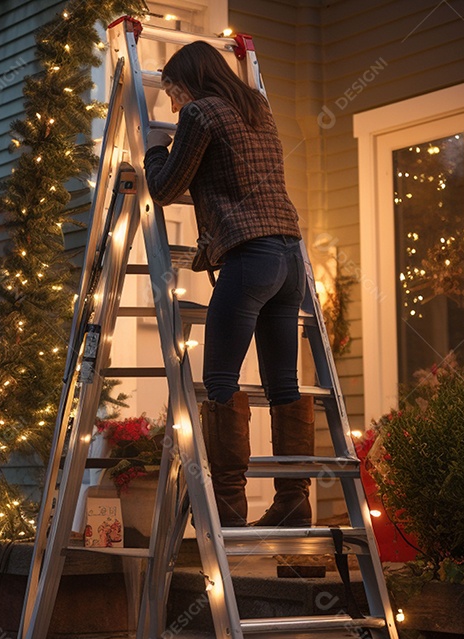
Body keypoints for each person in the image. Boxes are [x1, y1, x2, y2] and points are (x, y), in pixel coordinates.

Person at [144, 41, 314, 528]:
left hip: (249, 257)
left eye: (173, 92)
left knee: (221, 382)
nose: (173, 104)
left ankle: (228, 508)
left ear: (188, 82)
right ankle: (292, 504)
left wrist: (156, 148)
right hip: (289, 257)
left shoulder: (201, 113)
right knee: (284, 383)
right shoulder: (255, 105)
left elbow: (165, 187)